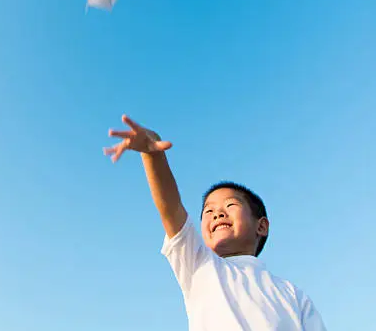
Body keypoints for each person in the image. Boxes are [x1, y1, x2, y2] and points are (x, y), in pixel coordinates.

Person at [104, 115, 327, 331]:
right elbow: (171, 207)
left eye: (230, 206)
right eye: (208, 211)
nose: (218, 214)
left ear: (261, 226)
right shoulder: (199, 264)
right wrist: (152, 155)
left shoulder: (291, 294)